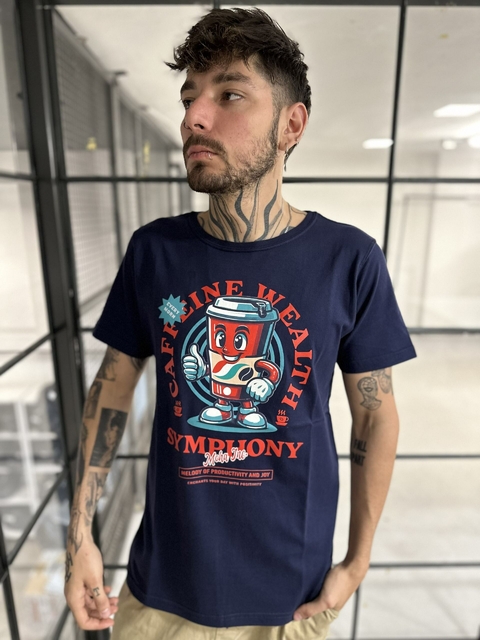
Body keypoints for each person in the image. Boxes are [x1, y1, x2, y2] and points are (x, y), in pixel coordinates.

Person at [64, 7, 417, 640]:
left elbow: (375, 415)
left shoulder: (347, 258)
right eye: (189, 98)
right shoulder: (155, 251)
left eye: (229, 95)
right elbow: (111, 388)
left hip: (292, 602)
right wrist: (79, 538)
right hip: (160, 595)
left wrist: (357, 562)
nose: (194, 117)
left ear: (291, 124)